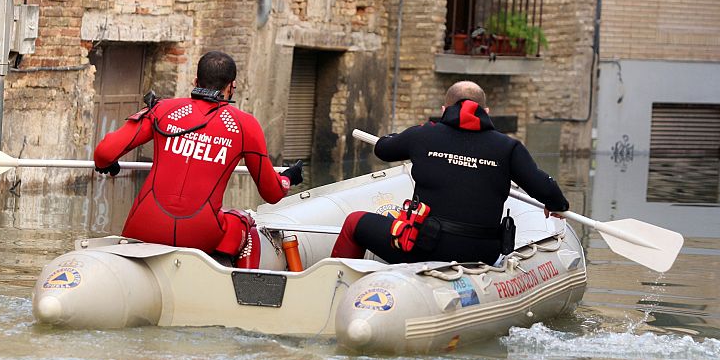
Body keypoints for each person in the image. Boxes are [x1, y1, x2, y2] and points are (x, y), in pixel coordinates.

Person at [94, 51, 303, 268]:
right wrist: (287, 177)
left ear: (195, 81)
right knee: (244, 221)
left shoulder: (163, 109)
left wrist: (107, 164)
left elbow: (103, 152)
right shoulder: (245, 126)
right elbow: (272, 193)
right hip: (199, 236)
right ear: (232, 86)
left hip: (142, 227)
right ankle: (235, 288)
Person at [331, 80, 568, 265]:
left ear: (445, 109)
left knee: (355, 222)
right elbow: (546, 188)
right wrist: (556, 204)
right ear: (485, 111)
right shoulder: (508, 147)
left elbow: (383, 149)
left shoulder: (422, 135)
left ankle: (333, 292)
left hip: (424, 247)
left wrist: (401, 140)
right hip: (482, 253)